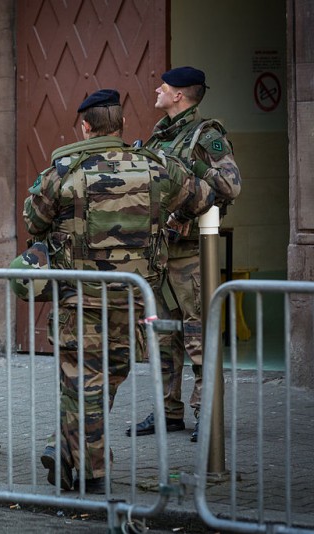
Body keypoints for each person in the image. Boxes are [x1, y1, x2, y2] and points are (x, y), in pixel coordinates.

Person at [22, 89, 215, 493]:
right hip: (132, 296)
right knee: (106, 379)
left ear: (86, 126)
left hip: (80, 299)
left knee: (83, 383)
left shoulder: (64, 169)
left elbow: (34, 222)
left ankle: (75, 459)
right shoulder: (156, 167)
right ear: (121, 126)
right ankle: (85, 464)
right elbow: (201, 197)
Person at [127, 67, 242, 443]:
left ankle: (205, 412)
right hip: (161, 250)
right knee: (162, 335)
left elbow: (230, 186)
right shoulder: (163, 133)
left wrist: (187, 167)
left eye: (165, 85)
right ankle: (168, 412)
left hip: (190, 251)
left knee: (197, 333)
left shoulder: (206, 135)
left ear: (179, 95)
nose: (157, 88)